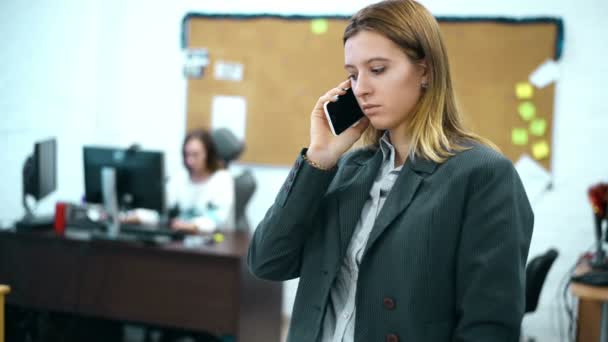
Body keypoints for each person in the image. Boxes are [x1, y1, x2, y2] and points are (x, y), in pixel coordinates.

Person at [247, 1, 534, 341]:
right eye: (353, 75)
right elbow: (268, 262)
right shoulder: (351, 168)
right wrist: (319, 158)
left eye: (378, 69)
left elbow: (488, 328)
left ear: (425, 70)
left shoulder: (481, 174)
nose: (361, 88)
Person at [126, 128, 235, 233]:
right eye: (187, 155)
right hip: (182, 238)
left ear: (209, 155)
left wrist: (192, 226)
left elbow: (218, 219)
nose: (190, 161)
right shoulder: (180, 177)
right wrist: (135, 216)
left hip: (214, 241)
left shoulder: (222, 179)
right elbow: (162, 210)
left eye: (195, 155)